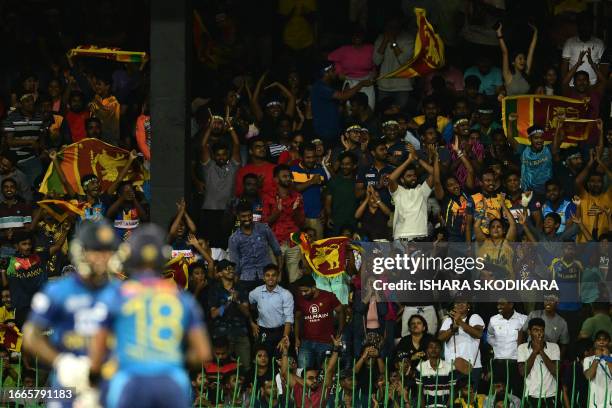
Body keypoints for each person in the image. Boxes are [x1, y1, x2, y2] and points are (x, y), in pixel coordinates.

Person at [88, 224, 213, 408]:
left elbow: (97, 349)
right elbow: (203, 353)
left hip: (130, 381)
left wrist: (94, 377)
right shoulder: (183, 299)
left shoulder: (116, 295)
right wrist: (174, 360)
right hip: (172, 383)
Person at [22, 221, 119, 405]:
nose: (102, 257)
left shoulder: (122, 293)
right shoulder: (57, 291)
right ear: (81, 252)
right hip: (66, 384)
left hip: (108, 383)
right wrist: (61, 362)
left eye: (107, 250)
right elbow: (30, 335)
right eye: (95, 250)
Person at [199, 113, 241, 249]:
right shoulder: (209, 167)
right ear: (214, 156)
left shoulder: (233, 166)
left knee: (228, 244)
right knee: (211, 245)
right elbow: (203, 144)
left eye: (224, 154)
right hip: (210, 210)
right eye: (218, 155)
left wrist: (230, 129)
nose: (221, 157)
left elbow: (236, 144)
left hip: (228, 211)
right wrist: (210, 128)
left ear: (228, 155)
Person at [310, 61, 373, 146]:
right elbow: (343, 96)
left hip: (333, 131)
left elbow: (340, 100)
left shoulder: (325, 87)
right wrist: (361, 84)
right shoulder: (320, 87)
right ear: (326, 73)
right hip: (325, 133)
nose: (336, 73)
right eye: (333, 71)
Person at [262, 164, 304, 283]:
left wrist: (295, 211)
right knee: (274, 279)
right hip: (275, 243)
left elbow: (301, 223)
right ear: (276, 179)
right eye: (284, 176)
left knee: (295, 279)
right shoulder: (268, 197)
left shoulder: (297, 197)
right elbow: (263, 224)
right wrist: (277, 212)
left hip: (293, 242)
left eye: (289, 176)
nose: (288, 178)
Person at [228, 201, 282, 292]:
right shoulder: (234, 238)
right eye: (243, 216)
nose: (247, 218)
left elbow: (277, 250)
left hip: (267, 276)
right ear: (238, 217)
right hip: (246, 277)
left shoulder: (264, 228)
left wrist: (279, 271)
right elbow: (235, 263)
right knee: (247, 305)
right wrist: (235, 284)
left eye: (249, 215)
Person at [387, 142, 436, 242]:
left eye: (414, 175)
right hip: (401, 238)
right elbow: (391, 179)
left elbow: (434, 173)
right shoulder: (398, 192)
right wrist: (409, 160)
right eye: (408, 176)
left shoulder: (422, 190)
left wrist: (417, 158)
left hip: (420, 237)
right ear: (402, 180)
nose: (413, 178)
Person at [207, 259, 252, 366]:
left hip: (240, 334)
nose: (231, 270)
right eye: (227, 269)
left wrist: (237, 301)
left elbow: (247, 313)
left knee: (246, 367)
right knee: (223, 370)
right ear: (220, 273)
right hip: (222, 337)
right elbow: (213, 314)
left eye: (232, 268)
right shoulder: (214, 290)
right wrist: (228, 303)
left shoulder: (241, 289)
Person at [294, 274, 344, 368]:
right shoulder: (300, 299)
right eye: (301, 291)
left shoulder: (328, 296)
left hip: (326, 342)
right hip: (306, 343)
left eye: (306, 291)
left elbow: (340, 311)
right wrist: (296, 337)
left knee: (324, 374)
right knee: (302, 373)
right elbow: (297, 318)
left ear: (314, 287)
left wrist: (340, 331)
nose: (303, 294)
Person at [280, 334, 342, 408]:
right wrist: (285, 350)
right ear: (303, 380)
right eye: (311, 378)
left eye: (316, 377)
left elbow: (330, 369)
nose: (315, 380)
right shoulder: (297, 388)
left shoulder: (322, 389)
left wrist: (336, 349)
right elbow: (284, 372)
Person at [438, 298, 484, 390]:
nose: (460, 304)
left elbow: (478, 334)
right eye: (457, 302)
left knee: (471, 399)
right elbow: (440, 338)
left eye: (463, 301)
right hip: (451, 367)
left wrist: (460, 322)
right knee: (452, 400)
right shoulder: (448, 321)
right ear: (453, 306)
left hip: (472, 367)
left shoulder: (474, 317)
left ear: (468, 306)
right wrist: (453, 328)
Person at [248, 264, 294, 357]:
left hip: (281, 331)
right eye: (267, 275)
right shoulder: (257, 291)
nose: (270, 278)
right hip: (263, 331)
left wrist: (285, 337)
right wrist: (252, 323)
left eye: (273, 275)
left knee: (280, 360)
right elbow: (247, 304)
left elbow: (288, 318)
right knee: (263, 359)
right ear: (264, 277)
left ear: (278, 277)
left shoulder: (286, 294)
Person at [373, 16, 415, 112]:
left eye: (395, 27)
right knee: (384, 115)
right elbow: (376, 61)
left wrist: (393, 42)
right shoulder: (380, 38)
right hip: (384, 86)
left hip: (403, 86)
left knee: (400, 116)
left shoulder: (408, 39)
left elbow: (403, 61)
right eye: (390, 27)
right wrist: (384, 41)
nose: (392, 30)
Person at [328, 25, 376, 109]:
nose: (357, 37)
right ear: (351, 37)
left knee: (368, 107)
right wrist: (339, 71)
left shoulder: (370, 48)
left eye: (359, 35)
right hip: (350, 81)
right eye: (355, 35)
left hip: (366, 82)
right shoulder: (344, 49)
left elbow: (376, 62)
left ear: (363, 37)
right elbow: (330, 57)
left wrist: (375, 71)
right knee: (349, 108)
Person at [487, 299, 528, 396]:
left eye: (502, 304)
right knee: (498, 396)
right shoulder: (493, 319)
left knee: (516, 394)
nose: (498, 306)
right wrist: (497, 345)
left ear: (511, 304)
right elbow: (489, 336)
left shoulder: (523, 319)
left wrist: (523, 351)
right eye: (498, 304)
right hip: (498, 364)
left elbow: (529, 339)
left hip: (516, 365)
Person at [517, 318, 561, 408]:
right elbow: (523, 373)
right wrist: (534, 352)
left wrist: (541, 350)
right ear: (529, 332)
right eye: (535, 330)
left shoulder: (554, 347)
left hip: (550, 395)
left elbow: (555, 371)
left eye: (541, 330)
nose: (539, 333)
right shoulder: (522, 348)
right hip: (530, 395)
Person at [291, 143, 327, 240]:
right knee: (300, 250)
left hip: (317, 217)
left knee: (317, 249)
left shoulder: (320, 171)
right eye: (308, 157)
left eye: (313, 157)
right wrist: (311, 182)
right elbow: (293, 189)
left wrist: (324, 209)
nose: (311, 160)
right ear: (301, 157)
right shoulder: (293, 170)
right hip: (298, 218)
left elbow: (325, 192)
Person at [561, 13, 607, 87]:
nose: (585, 28)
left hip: (592, 86)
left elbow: (603, 68)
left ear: (591, 26)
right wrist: (565, 85)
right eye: (582, 25)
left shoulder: (599, 43)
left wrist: (598, 86)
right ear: (578, 26)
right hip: (573, 86)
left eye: (588, 25)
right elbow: (564, 67)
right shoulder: (569, 42)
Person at [496, 22, 537, 95]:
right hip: (510, 106)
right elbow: (505, 53)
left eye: (524, 59)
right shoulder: (507, 75)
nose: (523, 61)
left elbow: (531, 51)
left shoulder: (526, 72)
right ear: (513, 62)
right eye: (520, 58)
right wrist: (499, 32)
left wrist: (536, 32)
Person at [415, 338, 456, 408]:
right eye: (431, 347)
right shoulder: (420, 367)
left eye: (436, 347)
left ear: (441, 350)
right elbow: (420, 392)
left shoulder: (450, 367)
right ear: (427, 350)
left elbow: (452, 391)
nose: (433, 350)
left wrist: (447, 406)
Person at [325, 152, 359, 235]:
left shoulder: (358, 183)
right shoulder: (333, 181)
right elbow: (328, 202)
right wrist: (329, 217)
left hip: (353, 223)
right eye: (342, 164)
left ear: (354, 166)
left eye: (347, 164)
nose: (344, 166)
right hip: (336, 223)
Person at [582, 330, 612, 408]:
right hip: (594, 403)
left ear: (609, 342)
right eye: (599, 340)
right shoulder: (588, 359)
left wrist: (608, 358)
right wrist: (597, 358)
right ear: (595, 342)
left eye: (604, 340)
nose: (601, 342)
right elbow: (588, 377)